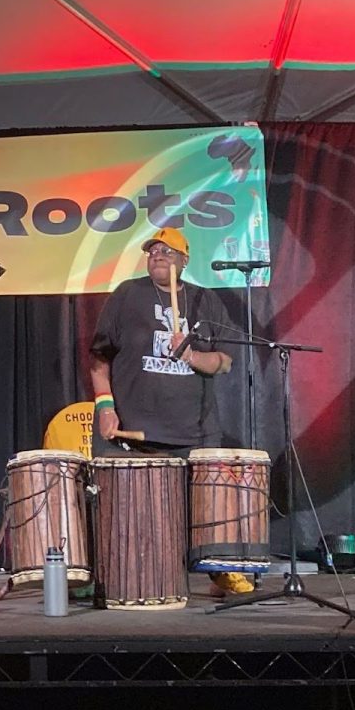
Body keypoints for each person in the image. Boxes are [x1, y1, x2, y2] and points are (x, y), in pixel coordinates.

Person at [88, 226, 250, 596]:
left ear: (184, 260)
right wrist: (105, 406)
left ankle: (219, 566)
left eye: (168, 251)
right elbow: (99, 359)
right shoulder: (127, 295)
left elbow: (223, 363)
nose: (158, 255)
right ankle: (117, 575)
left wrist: (190, 355)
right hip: (135, 429)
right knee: (125, 514)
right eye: (153, 250)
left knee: (208, 507)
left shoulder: (203, 301)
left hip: (193, 427)